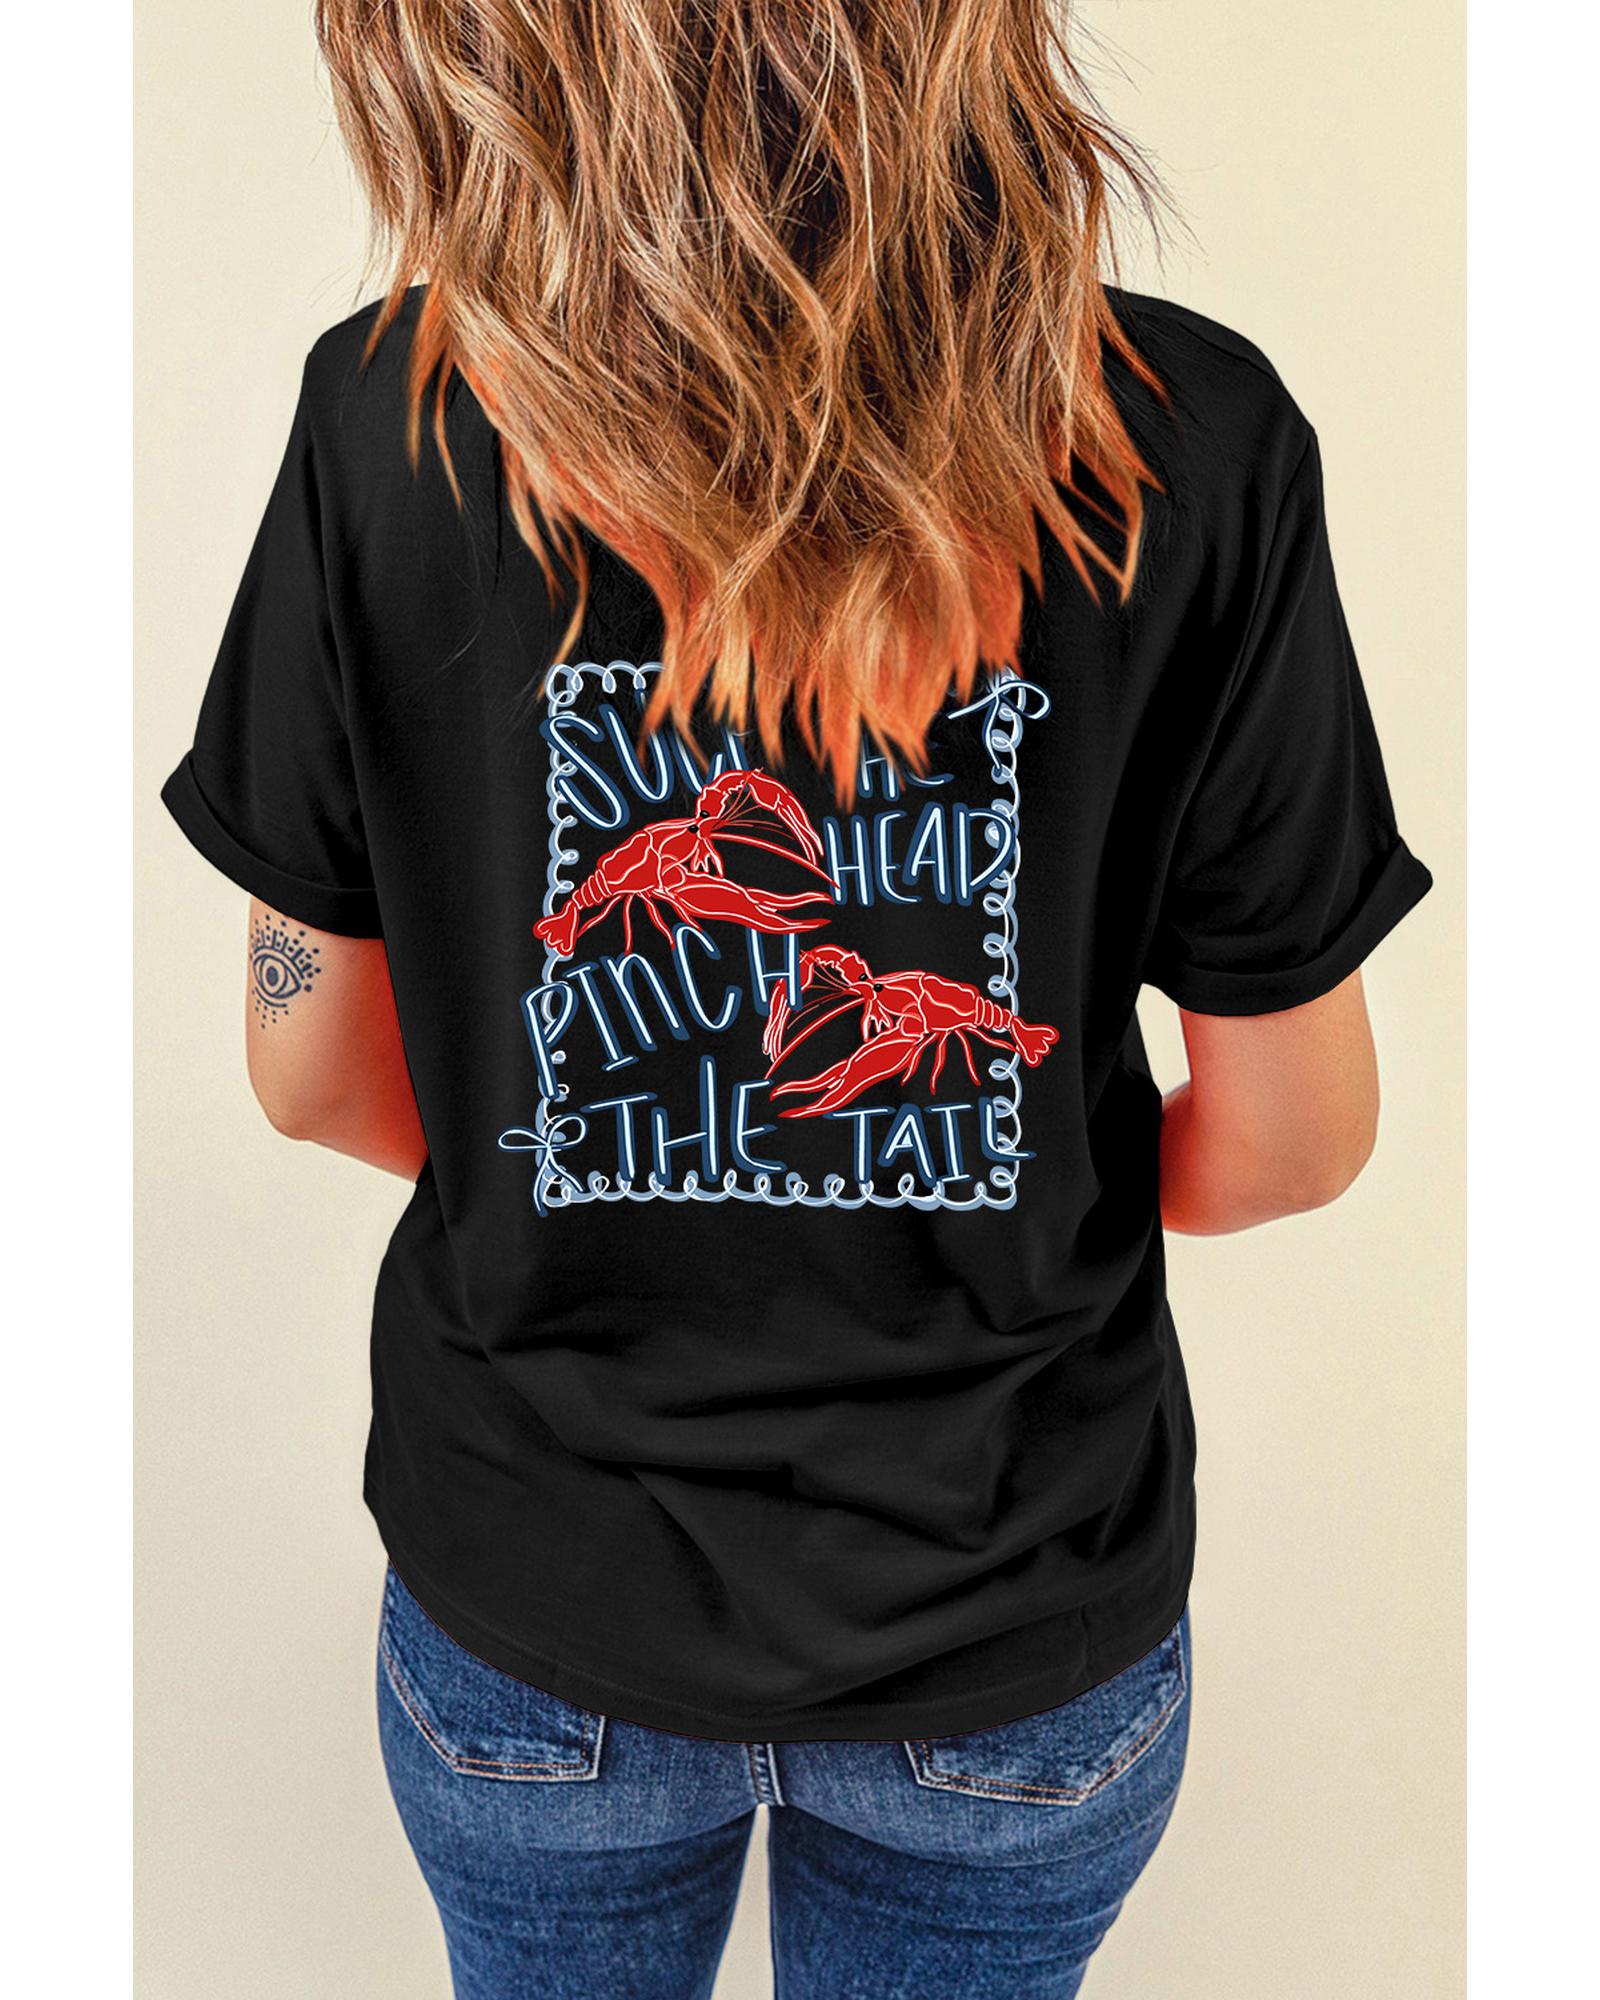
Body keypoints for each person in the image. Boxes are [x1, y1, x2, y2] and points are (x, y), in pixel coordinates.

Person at [161, 4, 1431, 1994]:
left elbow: (307, 1062)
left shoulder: (390, 413)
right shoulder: (1187, 436)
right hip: (1010, 1621)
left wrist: (579, 1167)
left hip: (538, 1609)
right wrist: (1008, 1192)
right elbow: (1295, 1137)